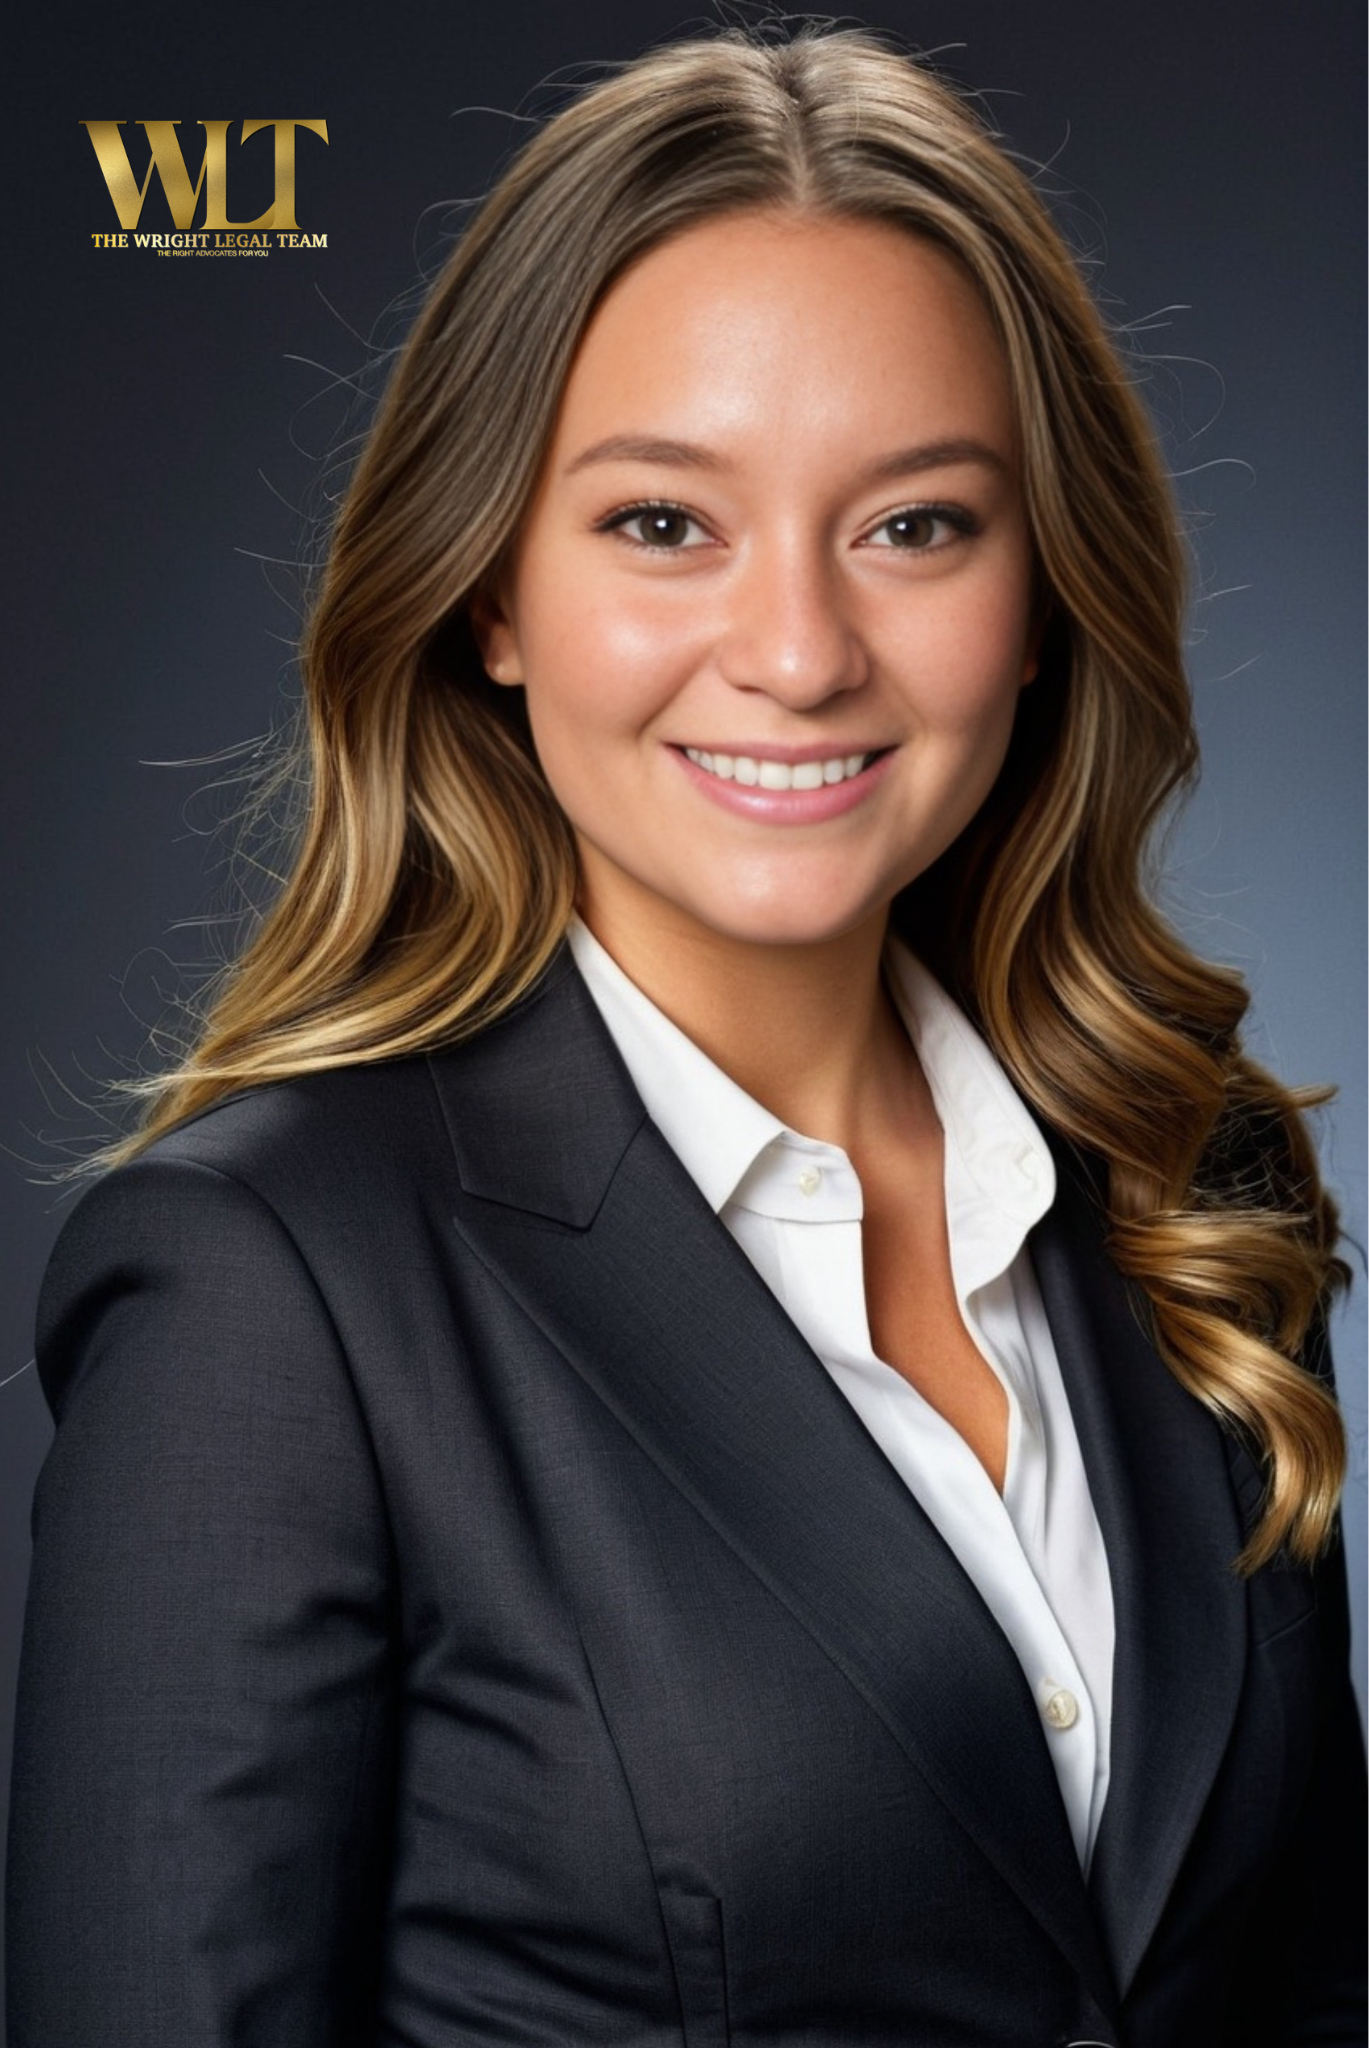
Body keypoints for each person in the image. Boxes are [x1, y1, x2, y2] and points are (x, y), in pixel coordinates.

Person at [7, 24, 1364, 2047]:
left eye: (917, 524)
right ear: (489, 590)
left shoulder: (1198, 1181)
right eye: (663, 524)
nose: (802, 653)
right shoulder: (268, 1289)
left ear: (1042, 586)